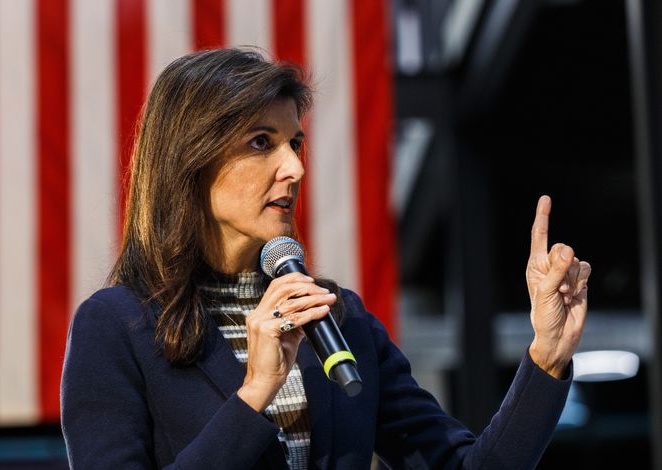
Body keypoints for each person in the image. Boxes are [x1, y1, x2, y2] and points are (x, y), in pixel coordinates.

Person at [60, 48, 592, 470]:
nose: (294, 168)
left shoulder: (340, 318)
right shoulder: (116, 326)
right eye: (261, 142)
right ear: (190, 160)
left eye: (294, 143)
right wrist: (255, 393)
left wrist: (547, 356)